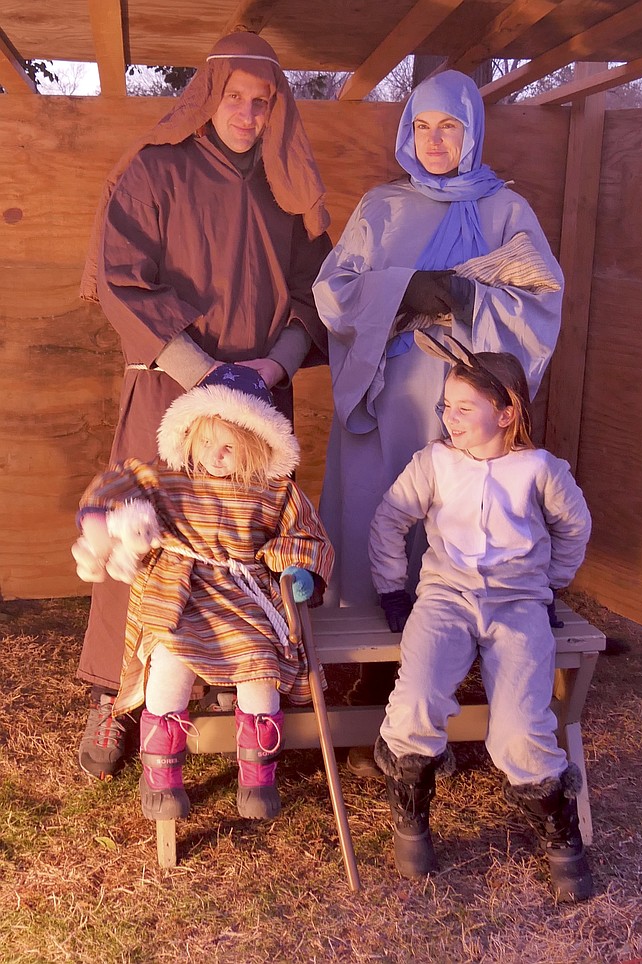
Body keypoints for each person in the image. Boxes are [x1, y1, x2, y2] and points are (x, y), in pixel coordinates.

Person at [76, 31, 332, 779]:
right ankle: (112, 697)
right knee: (143, 533)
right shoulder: (156, 170)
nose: (248, 115)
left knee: (236, 542)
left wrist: (274, 364)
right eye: (235, 98)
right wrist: (200, 371)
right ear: (208, 94)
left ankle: (220, 682)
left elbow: (322, 295)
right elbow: (124, 280)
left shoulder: (288, 188)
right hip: (171, 387)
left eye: (262, 102)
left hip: (254, 399)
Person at [312, 68, 563, 775]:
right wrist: (399, 291)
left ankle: (446, 674)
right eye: (422, 125)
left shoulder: (507, 211)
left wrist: (467, 297)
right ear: (407, 131)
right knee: (380, 507)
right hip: (390, 395)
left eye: (449, 126)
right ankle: (368, 669)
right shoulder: (382, 207)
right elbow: (334, 293)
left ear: (472, 130)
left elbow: (542, 299)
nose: (434, 140)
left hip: (466, 409)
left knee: (458, 518)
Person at [369, 331, 593, 902]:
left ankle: (561, 837)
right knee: (416, 703)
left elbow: (574, 527)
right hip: (446, 598)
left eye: (464, 408)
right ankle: (412, 819)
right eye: (446, 406)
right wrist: (393, 588)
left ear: (507, 409)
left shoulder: (541, 470)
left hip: (518, 605)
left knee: (521, 730)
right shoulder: (436, 463)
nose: (450, 417)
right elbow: (391, 518)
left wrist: (552, 582)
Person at [72, 364, 334, 821]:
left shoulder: (273, 490)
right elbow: (121, 481)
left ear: (257, 444)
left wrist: (297, 567)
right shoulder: (169, 478)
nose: (216, 455)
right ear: (188, 435)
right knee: (170, 659)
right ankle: (162, 776)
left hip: (244, 596)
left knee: (260, 668)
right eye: (207, 442)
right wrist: (105, 517)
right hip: (182, 593)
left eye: (230, 446)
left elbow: (304, 532)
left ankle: (257, 776)